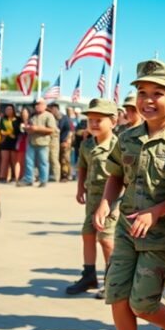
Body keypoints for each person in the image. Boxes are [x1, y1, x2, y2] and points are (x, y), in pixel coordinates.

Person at [93, 60, 165, 330]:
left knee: (143, 304)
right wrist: (104, 202)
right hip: (125, 229)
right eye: (142, 92)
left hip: (161, 237)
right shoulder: (126, 137)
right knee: (117, 297)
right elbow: (115, 174)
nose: (147, 100)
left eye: (157, 93)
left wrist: (156, 212)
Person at [67, 99, 119, 298]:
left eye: (99, 120)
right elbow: (82, 166)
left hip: (112, 200)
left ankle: (112, 280)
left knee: (106, 239)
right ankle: (89, 275)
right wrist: (80, 187)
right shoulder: (87, 144)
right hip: (92, 197)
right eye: (90, 120)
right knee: (87, 234)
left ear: (113, 121)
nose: (94, 124)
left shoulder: (118, 145)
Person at [20, 98, 57, 187]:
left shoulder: (49, 116)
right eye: (36, 104)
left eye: (39, 104)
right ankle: (29, 179)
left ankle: (43, 180)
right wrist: (27, 128)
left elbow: (52, 129)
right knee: (29, 162)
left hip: (43, 143)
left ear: (44, 105)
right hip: (31, 142)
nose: (37, 106)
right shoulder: (33, 116)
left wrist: (37, 129)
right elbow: (29, 128)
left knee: (43, 162)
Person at [49, 103, 74, 182]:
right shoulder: (53, 119)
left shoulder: (64, 118)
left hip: (65, 141)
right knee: (59, 159)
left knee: (65, 159)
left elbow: (71, 130)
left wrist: (67, 141)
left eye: (52, 109)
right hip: (56, 142)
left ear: (56, 109)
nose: (51, 111)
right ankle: (60, 175)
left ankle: (65, 176)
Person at [0, 104, 22, 183]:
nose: (8, 111)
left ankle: (14, 176)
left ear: (13, 110)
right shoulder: (3, 119)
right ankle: (2, 177)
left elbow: (20, 131)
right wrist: (4, 133)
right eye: (7, 109)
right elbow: (0, 129)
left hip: (14, 142)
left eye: (10, 109)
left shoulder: (18, 119)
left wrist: (12, 133)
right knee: (4, 160)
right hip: (5, 141)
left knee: (13, 160)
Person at [16, 107, 30, 181]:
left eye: (26, 112)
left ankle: (26, 176)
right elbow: (16, 132)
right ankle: (17, 177)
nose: (24, 114)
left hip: (30, 141)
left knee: (27, 160)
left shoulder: (31, 121)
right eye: (23, 113)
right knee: (19, 160)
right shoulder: (18, 121)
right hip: (21, 141)